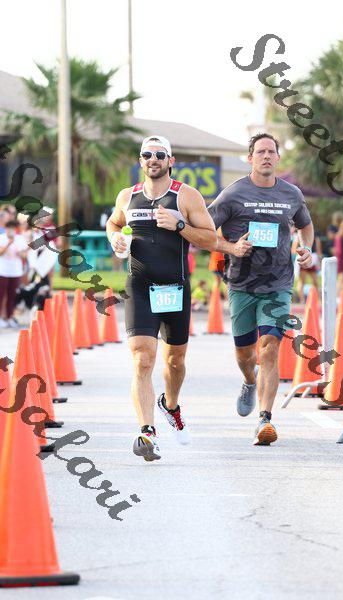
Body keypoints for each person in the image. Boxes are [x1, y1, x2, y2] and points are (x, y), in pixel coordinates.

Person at [106, 135, 216, 462]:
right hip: (139, 286)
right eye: (147, 154)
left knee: (175, 362)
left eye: (159, 154)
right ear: (140, 161)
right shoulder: (127, 196)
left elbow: (211, 239)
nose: (153, 159)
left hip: (174, 288)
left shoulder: (186, 195)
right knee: (143, 358)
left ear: (170, 161)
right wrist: (115, 238)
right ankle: (147, 432)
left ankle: (171, 405)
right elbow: (114, 222)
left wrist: (179, 224)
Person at [207, 133, 314, 446]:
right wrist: (231, 247)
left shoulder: (291, 194)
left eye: (271, 151)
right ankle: (248, 381)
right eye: (260, 151)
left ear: (278, 157)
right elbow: (204, 229)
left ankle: (265, 419)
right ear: (250, 158)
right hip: (242, 285)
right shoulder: (233, 193)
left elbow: (306, 225)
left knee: (269, 347)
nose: (266, 156)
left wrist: (306, 248)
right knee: (245, 353)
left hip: (278, 283)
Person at [0, 220, 29, 327]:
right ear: (6, 229)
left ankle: (9, 317)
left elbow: (24, 255)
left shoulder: (20, 239)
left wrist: (20, 253)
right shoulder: (2, 238)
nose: (10, 230)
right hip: (3, 271)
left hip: (15, 271)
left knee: (12, 296)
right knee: (1, 294)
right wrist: (8, 243)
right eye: (9, 228)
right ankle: (1, 317)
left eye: (13, 228)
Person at [291, 231, 322, 302]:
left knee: (315, 281)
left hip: (312, 260)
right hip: (303, 259)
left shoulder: (315, 236)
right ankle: (302, 300)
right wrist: (300, 252)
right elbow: (293, 250)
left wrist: (319, 262)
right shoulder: (298, 235)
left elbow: (318, 250)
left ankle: (317, 299)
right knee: (302, 282)